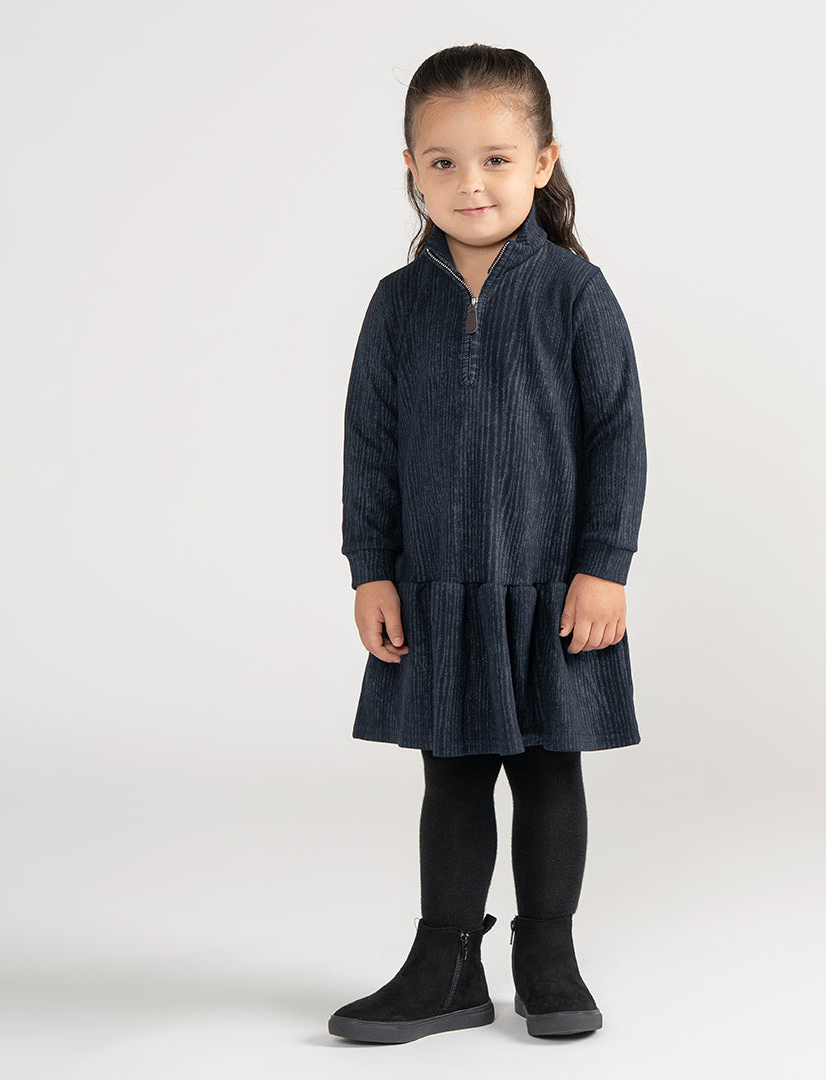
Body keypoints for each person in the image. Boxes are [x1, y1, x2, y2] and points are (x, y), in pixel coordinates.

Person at [329, 43, 647, 1044]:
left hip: (553, 589)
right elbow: (369, 443)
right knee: (452, 776)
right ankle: (447, 966)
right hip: (438, 590)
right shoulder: (396, 305)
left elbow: (618, 435)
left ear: (543, 162)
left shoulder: (576, 294)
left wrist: (603, 566)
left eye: (497, 159)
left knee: (550, 771)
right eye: (444, 161)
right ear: (412, 170)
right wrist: (371, 569)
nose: (471, 183)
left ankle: (547, 955)